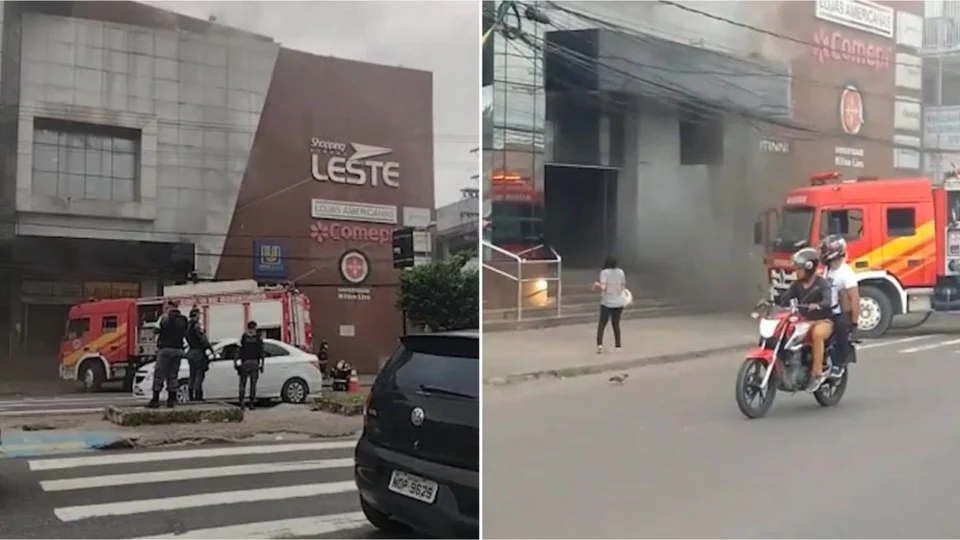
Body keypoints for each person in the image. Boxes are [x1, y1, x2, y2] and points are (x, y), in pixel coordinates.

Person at [779, 248, 834, 392]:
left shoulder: (822, 283)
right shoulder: (796, 285)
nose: (796, 271)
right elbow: (785, 298)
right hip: (803, 321)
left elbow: (828, 300)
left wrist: (818, 305)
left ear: (809, 268)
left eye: (799, 269)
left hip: (823, 321)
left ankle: (817, 373)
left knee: (817, 334)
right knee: (783, 330)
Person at [819, 234, 860, 378]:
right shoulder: (827, 269)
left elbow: (854, 298)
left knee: (841, 328)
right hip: (824, 310)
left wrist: (854, 322)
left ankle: (839, 364)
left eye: (825, 250)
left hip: (837, 313)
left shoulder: (846, 273)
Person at [150, 300, 188, 409]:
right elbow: (185, 332)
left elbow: (156, 330)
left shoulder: (164, 318)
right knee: (173, 375)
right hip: (178, 350)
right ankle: (171, 400)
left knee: (159, 374)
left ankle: (155, 400)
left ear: (169, 307)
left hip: (165, 349)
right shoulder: (184, 319)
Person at [593, 254, 626, 354]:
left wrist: (596, 285)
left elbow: (603, 287)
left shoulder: (604, 272)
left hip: (607, 302)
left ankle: (599, 345)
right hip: (619, 302)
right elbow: (623, 286)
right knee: (616, 324)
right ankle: (618, 345)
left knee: (602, 324)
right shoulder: (621, 272)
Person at [185, 306, 215, 402]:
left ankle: (190, 395)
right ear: (196, 315)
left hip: (190, 352)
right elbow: (204, 340)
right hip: (198, 352)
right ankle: (198, 396)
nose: (199, 317)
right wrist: (211, 350)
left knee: (192, 375)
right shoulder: (197, 326)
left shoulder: (187, 326)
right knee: (199, 374)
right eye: (198, 315)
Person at [235, 320, 265, 410]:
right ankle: (251, 403)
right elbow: (262, 352)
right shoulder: (258, 338)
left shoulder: (243, 337)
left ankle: (242, 402)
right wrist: (262, 364)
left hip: (245, 363)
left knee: (242, 384)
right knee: (253, 384)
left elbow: (238, 350)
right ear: (254, 327)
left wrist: (236, 362)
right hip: (255, 363)